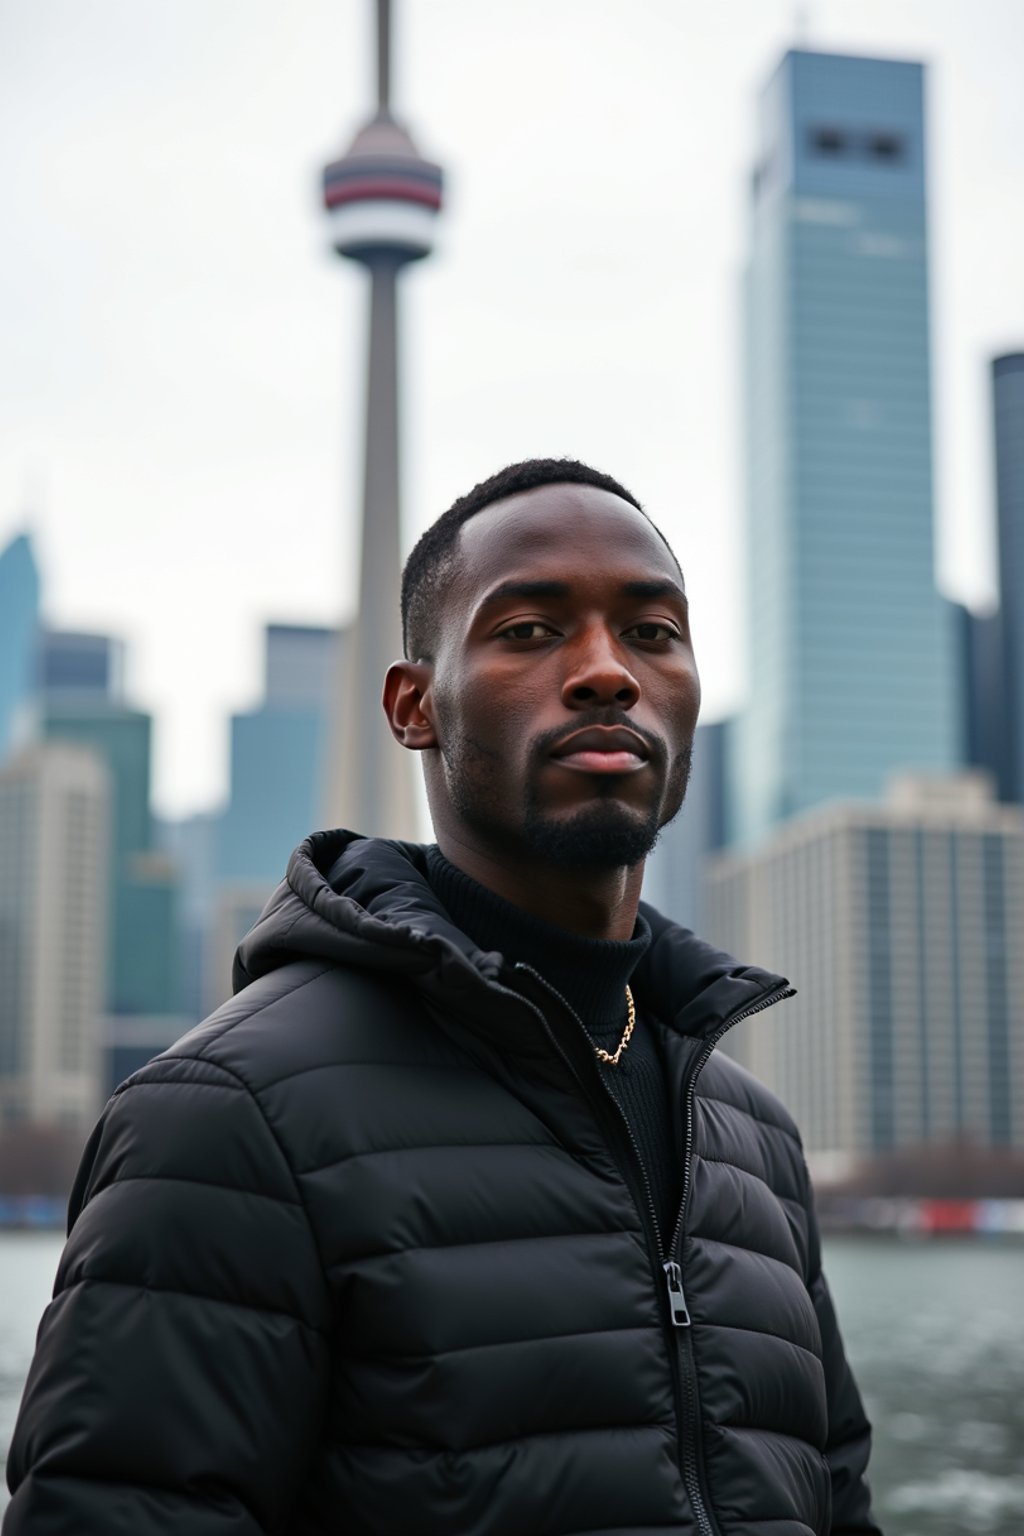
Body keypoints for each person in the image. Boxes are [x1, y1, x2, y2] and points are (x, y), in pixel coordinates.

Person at [5, 459, 880, 1536]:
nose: (607, 671)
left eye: (653, 632)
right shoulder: (231, 1115)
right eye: (528, 630)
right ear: (414, 706)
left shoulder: (752, 1139)